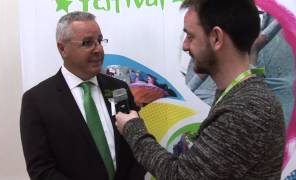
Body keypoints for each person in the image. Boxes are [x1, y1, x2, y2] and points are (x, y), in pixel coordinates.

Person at [115, 0, 285, 179]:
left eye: (190, 36)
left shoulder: (247, 108)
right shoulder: (242, 98)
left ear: (216, 38)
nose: (185, 46)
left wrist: (133, 129)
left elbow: (181, 176)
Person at [20, 11, 145, 180]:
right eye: (87, 43)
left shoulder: (118, 88)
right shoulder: (36, 101)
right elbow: (41, 170)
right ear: (62, 48)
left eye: (100, 41)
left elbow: (137, 148)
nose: (99, 49)